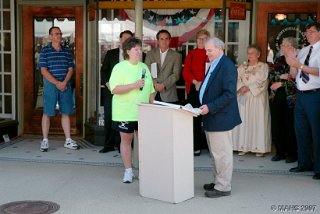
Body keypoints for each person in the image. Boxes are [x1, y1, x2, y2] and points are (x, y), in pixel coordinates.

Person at [199, 37, 241, 198]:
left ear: (219, 49)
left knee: (222, 154)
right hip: (212, 116)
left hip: (220, 116)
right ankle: (218, 180)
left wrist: (210, 106)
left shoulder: (227, 66)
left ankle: (223, 187)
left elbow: (229, 94)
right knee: (216, 153)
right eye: (206, 50)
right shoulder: (216, 63)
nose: (206, 53)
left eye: (209, 50)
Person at [109, 37, 155, 183]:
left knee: (143, 141)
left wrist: (152, 105)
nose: (139, 51)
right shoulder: (119, 67)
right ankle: (128, 171)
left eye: (140, 49)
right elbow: (114, 89)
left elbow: (151, 89)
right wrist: (133, 85)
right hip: (125, 111)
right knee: (126, 140)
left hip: (143, 112)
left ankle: (144, 170)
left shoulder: (144, 67)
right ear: (128, 51)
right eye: (136, 49)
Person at [285, 22, 320, 180]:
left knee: (317, 132)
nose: (308, 34)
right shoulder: (304, 50)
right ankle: (304, 162)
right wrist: (291, 62)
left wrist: (299, 65)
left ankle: (318, 168)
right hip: (300, 95)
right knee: (301, 131)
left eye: (311, 31)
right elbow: (294, 73)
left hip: (315, 95)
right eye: (307, 32)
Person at [38, 26, 78, 152]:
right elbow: (43, 71)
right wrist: (57, 83)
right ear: (50, 36)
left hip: (65, 83)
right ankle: (45, 141)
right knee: (47, 112)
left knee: (65, 112)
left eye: (60, 33)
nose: (59, 36)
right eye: (56, 34)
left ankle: (68, 140)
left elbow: (71, 69)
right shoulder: (45, 51)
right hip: (51, 83)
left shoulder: (67, 51)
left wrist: (64, 82)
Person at [232, 44, 271, 157]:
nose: (250, 55)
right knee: (244, 121)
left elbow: (263, 81)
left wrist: (249, 87)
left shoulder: (263, 66)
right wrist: (241, 87)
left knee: (257, 121)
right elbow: (236, 78)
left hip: (257, 98)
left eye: (252, 53)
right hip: (243, 97)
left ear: (258, 54)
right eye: (248, 53)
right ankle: (243, 146)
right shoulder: (242, 66)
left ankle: (258, 148)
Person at [99, 30, 134, 153]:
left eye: (129, 39)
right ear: (120, 40)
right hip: (111, 92)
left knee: (125, 119)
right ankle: (108, 145)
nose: (126, 41)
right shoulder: (111, 53)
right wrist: (108, 84)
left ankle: (122, 145)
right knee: (109, 117)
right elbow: (103, 71)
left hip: (128, 93)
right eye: (124, 39)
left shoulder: (133, 55)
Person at [269, 37, 298, 163]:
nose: (281, 46)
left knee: (290, 126)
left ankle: (292, 154)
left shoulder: (297, 60)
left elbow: (296, 81)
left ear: (292, 47)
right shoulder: (279, 59)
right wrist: (282, 76)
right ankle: (280, 152)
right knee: (277, 125)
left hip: (291, 98)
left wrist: (281, 84)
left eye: (284, 44)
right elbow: (271, 76)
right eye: (281, 44)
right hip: (277, 96)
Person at [182, 29, 210, 156]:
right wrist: (195, 82)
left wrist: (203, 83)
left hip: (208, 88)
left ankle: (211, 146)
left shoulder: (211, 53)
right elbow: (186, 72)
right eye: (199, 38)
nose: (201, 41)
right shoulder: (191, 54)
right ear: (196, 40)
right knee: (195, 118)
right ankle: (196, 146)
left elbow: (213, 71)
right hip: (194, 88)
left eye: (204, 38)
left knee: (210, 116)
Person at [144, 29, 182, 103]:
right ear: (158, 41)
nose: (164, 41)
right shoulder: (150, 54)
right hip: (152, 93)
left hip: (169, 94)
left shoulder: (177, 56)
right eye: (161, 39)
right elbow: (146, 72)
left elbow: (176, 75)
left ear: (170, 40)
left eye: (166, 39)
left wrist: (163, 85)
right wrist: (155, 84)